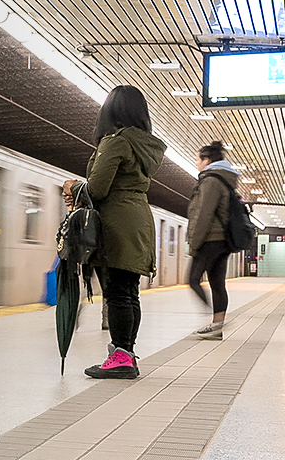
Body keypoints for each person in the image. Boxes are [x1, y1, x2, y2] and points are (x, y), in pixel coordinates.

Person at [63, 85, 166, 379]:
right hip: (139, 218)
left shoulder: (115, 142)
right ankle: (126, 353)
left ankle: (121, 357)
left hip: (117, 222)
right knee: (129, 292)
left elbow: (97, 188)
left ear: (110, 111)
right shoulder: (143, 145)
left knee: (118, 293)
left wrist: (72, 187)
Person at [186, 141, 239, 340]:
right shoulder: (224, 179)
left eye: (198, 159)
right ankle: (217, 326)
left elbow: (204, 214)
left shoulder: (210, 181)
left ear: (207, 160)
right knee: (217, 284)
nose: (197, 163)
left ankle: (214, 319)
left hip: (210, 240)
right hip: (221, 241)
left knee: (192, 279)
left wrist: (195, 243)